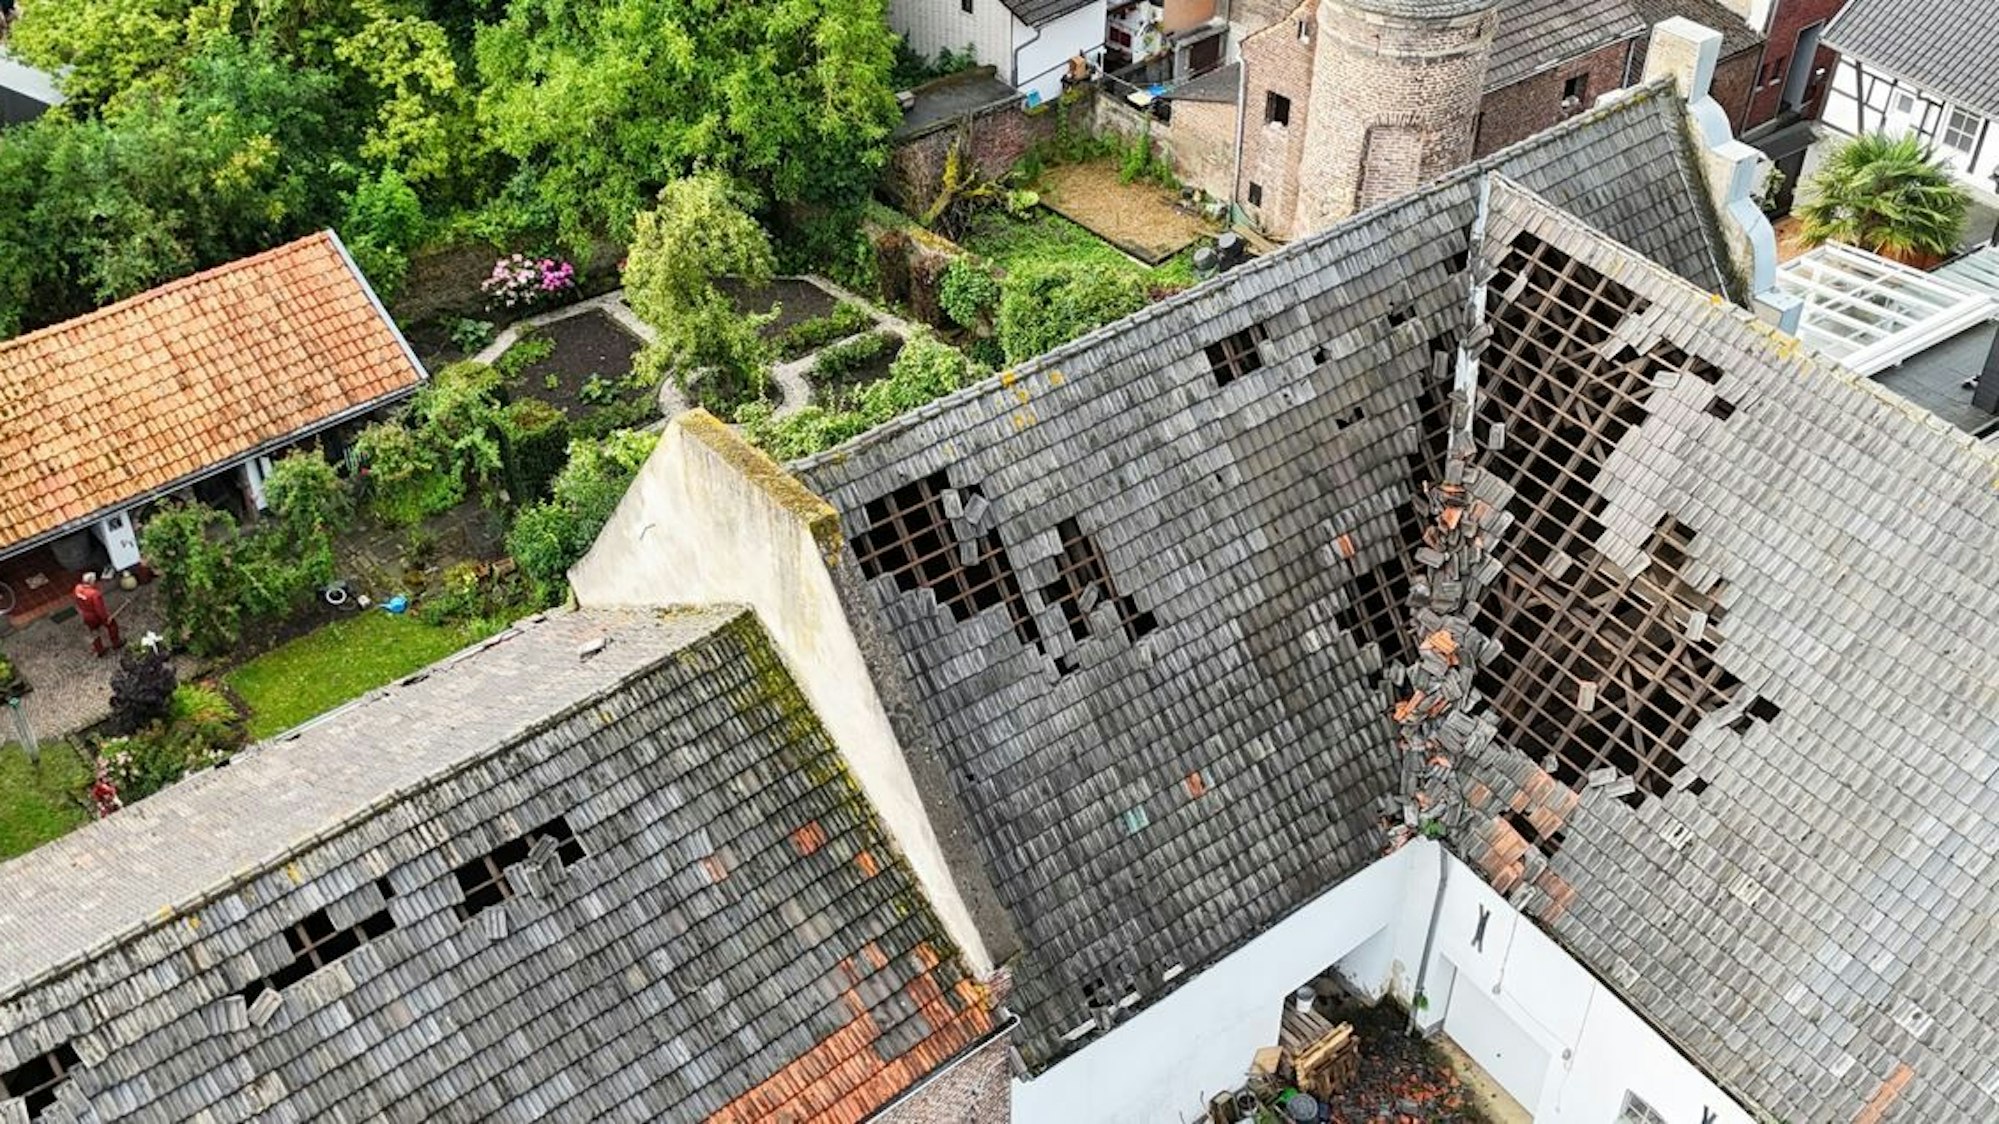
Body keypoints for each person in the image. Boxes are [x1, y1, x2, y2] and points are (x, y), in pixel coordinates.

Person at [74, 572, 121, 657]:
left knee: (94, 632)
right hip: (95, 616)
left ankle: (99, 650)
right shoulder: (94, 594)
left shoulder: (78, 588)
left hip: (86, 615)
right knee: (112, 625)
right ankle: (116, 643)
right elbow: (99, 609)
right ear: (91, 582)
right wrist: (106, 618)